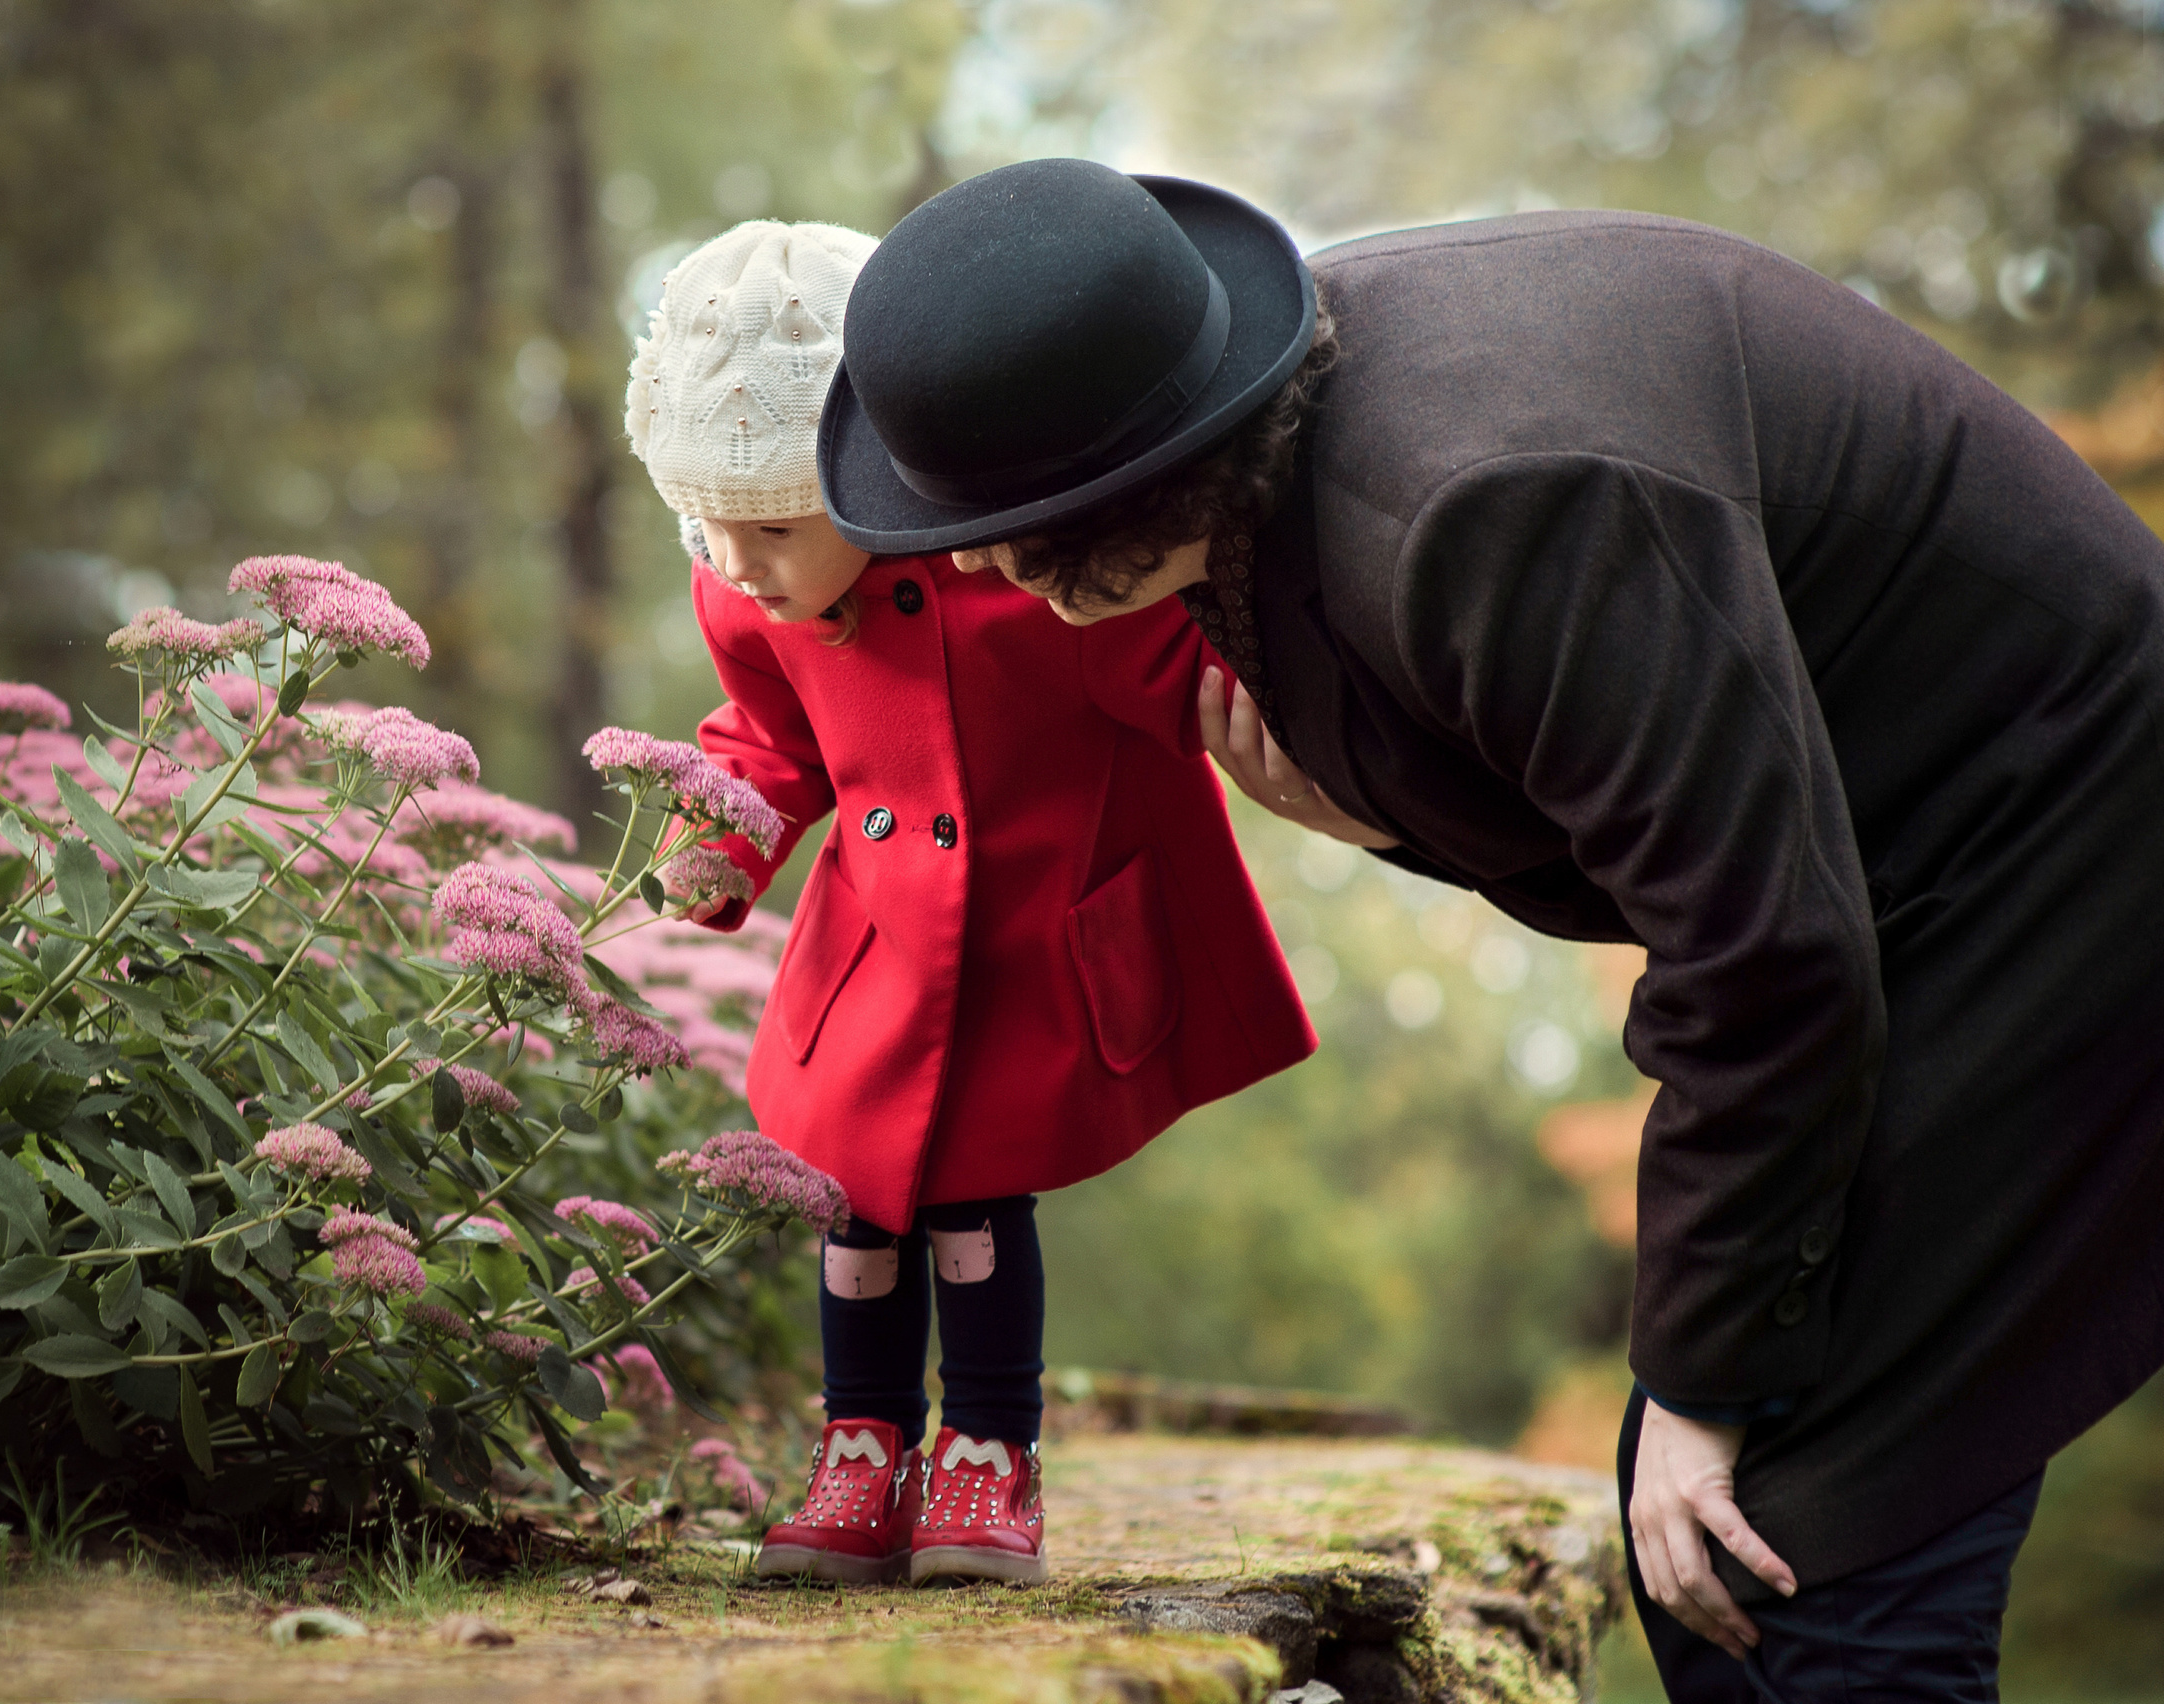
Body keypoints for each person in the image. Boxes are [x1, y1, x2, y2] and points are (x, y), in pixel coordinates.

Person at [814, 158, 2164, 1691]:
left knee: (1806, 1557)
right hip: (1882, 871)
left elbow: (1758, 949)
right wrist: (1387, 817)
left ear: (1137, 477)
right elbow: (1665, 823)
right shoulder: (1268, 444)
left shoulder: (1492, 498)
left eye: (1000, 521)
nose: (966, 561)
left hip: (2073, 860)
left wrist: (1713, 1385)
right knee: (1716, 1548)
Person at [626, 219, 1314, 1586]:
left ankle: (990, 1456)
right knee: (851, 1210)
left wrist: (1298, 723)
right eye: (705, 525)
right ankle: (860, 1451)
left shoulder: (1023, 576)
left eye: (769, 524)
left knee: (978, 1207)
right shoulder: (747, 601)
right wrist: (714, 839)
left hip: (1026, 941)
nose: (737, 559)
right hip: (875, 948)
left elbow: (1176, 664)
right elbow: (770, 740)